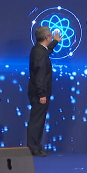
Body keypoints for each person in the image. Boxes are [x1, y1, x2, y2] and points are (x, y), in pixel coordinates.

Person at [27, 26, 60, 157]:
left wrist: (55, 42)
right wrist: (42, 94)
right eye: (51, 36)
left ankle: (36, 146)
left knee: (39, 120)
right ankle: (33, 148)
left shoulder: (39, 50)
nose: (51, 37)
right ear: (47, 37)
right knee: (37, 120)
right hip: (39, 93)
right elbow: (39, 75)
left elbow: (47, 51)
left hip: (39, 91)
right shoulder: (39, 53)